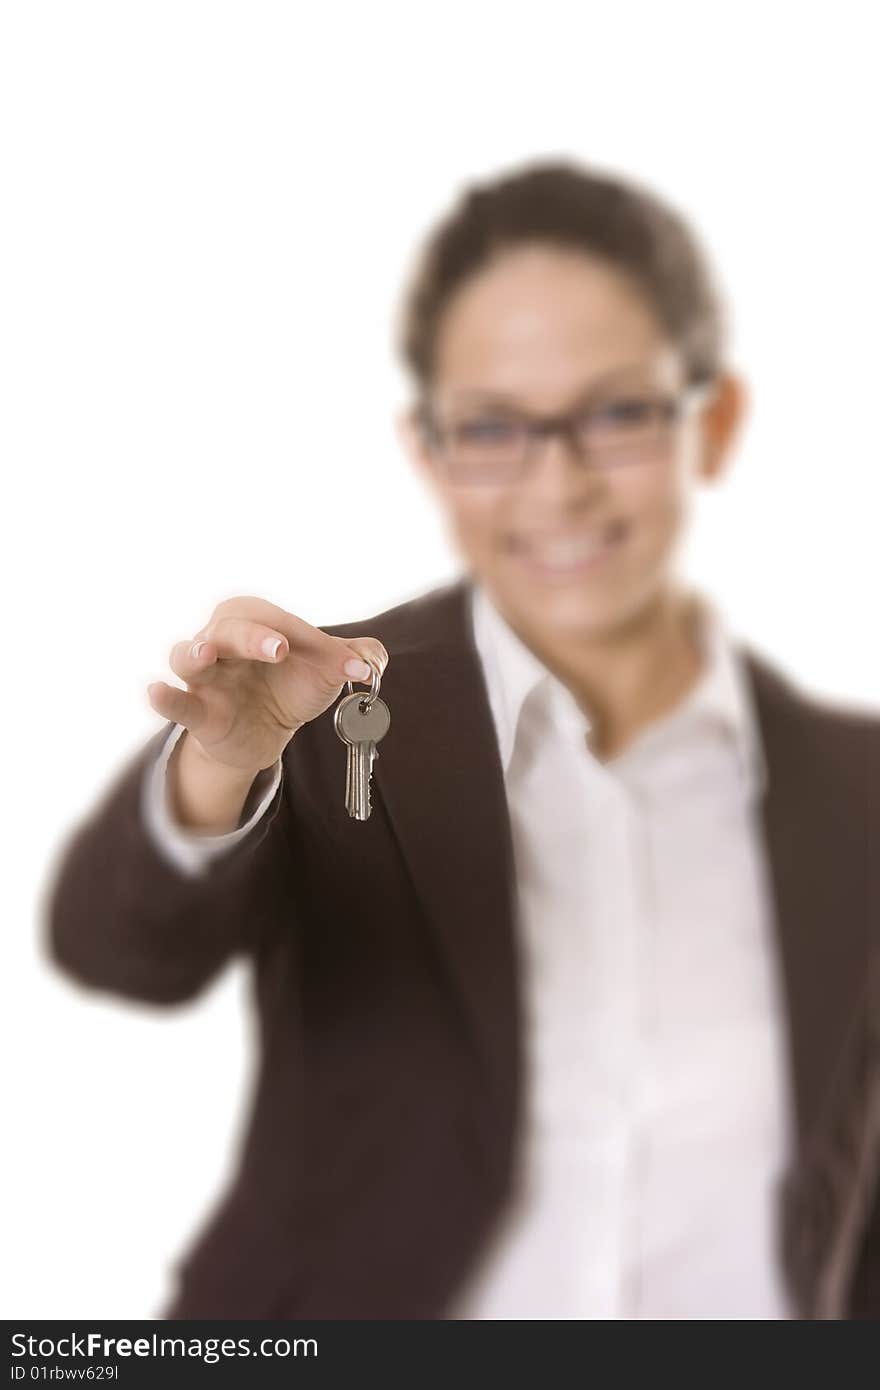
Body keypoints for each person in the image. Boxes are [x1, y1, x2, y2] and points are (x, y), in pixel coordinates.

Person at [45, 159, 880, 1320]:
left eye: (616, 413)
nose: (559, 483)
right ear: (431, 453)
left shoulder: (858, 787)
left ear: (713, 421)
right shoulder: (319, 704)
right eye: (492, 427)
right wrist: (226, 763)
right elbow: (116, 945)